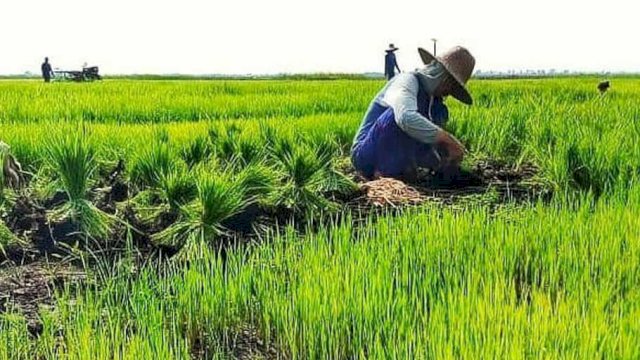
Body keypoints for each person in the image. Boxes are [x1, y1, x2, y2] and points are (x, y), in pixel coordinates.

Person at [351, 46, 475, 182]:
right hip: (367, 154)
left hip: (397, 153)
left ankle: (401, 169)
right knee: (400, 114)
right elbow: (404, 118)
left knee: (439, 114)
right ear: (441, 76)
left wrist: (441, 161)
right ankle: (382, 173)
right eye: (451, 84)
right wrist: (447, 139)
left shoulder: (434, 104)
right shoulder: (406, 81)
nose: (448, 92)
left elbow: (425, 139)